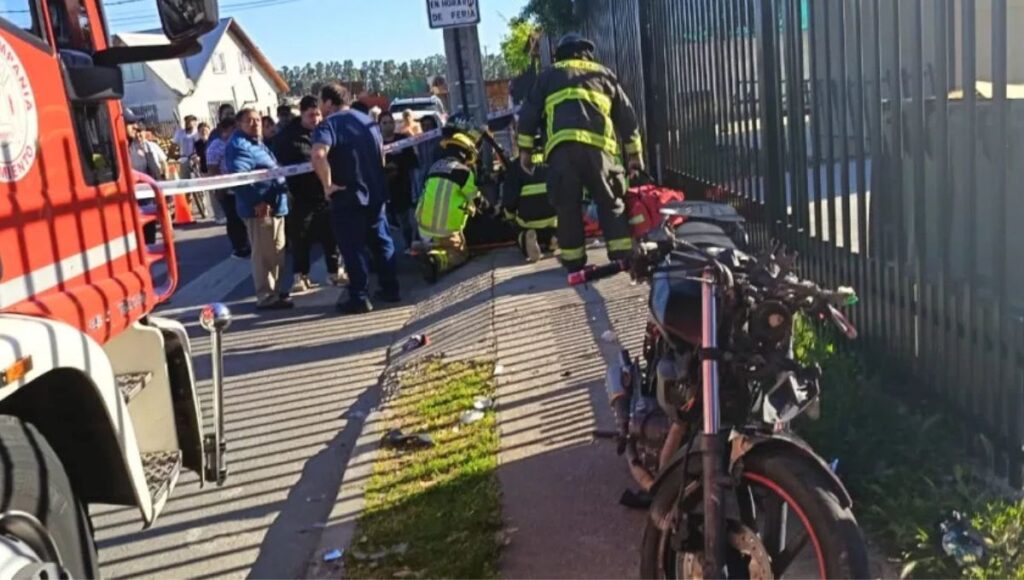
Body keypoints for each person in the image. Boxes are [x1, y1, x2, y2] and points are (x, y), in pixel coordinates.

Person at [517, 32, 644, 273]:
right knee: (610, 202)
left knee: (567, 206)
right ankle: (621, 257)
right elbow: (627, 117)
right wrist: (635, 155)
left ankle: (574, 263)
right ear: (586, 52)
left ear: (560, 54)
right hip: (600, 151)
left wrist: (525, 151)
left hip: (561, 150)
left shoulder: (548, 76)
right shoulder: (602, 74)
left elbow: (529, 114)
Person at [312, 83, 400, 315]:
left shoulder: (329, 125)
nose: (320, 106)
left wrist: (327, 185)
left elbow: (319, 154)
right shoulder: (368, 121)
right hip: (375, 193)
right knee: (382, 242)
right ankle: (390, 288)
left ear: (329, 103)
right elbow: (380, 154)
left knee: (353, 248)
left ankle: (359, 297)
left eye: (321, 101)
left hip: (348, 196)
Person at [273, 95, 345, 292]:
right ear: (302, 114)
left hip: (325, 191)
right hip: (299, 194)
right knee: (300, 237)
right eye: (311, 115)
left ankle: (335, 272)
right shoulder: (288, 137)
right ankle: (300, 275)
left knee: (330, 234)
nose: (315, 119)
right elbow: (279, 164)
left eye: (318, 115)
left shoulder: (325, 131)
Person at [226, 108, 293, 310]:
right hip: (260, 210)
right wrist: (257, 202)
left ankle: (276, 292)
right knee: (264, 255)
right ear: (239, 124)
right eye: (249, 121)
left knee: (276, 251)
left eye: (257, 120)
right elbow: (240, 180)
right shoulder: (239, 146)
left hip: (276, 206)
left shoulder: (258, 143)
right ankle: (266, 296)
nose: (255, 124)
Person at [414, 123, 482, 282]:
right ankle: (435, 261)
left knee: (441, 243)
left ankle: (427, 247)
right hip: (444, 229)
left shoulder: (434, 167)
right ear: (466, 154)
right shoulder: (464, 172)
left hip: (422, 225)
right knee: (460, 254)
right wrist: (493, 210)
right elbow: (476, 200)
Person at [502, 139, 558, 263]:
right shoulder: (554, 160)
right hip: (552, 214)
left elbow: (510, 198)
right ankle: (554, 237)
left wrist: (509, 216)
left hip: (529, 217)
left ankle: (525, 238)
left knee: (521, 228)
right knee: (552, 225)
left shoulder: (517, 164)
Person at [206, 117, 251, 258]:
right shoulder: (216, 146)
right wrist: (220, 188)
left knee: (243, 216)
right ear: (224, 131)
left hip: (241, 186)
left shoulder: (237, 143)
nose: (235, 132)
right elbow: (212, 168)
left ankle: (246, 243)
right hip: (226, 189)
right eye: (232, 130)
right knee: (233, 218)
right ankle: (239, 247)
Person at [126, 114, 170, 245]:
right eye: (130, 123)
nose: (135, 127)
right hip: (131, 200)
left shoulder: (142, 146)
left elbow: (153, 170)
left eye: (136, 124)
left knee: (149, 237)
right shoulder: (121, 147)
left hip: (147, 199)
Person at [379, 111, 420, 250]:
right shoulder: (377, 143)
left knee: (412, 220)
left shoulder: (402, 139)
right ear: (379, 125)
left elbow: (413, 161)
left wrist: (398, 166)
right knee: (397, 222)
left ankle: (415, 244)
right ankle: (403, 246)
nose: (388, 126)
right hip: (387, 189)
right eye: (384, 123)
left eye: (390, 122)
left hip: (406, 185)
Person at [173, 115, 199, 179]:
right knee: (185, 179)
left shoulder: (197, 133)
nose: (188, 124)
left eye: (190, 122)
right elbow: (173, 145)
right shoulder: (180, 133)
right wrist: (173, 156)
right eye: (187, 122)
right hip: (183, 159)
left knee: (197, 177)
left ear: (195, 123)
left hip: (195, 159)